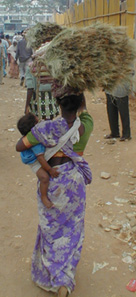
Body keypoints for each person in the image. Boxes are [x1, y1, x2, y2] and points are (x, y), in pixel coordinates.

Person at [16, 87, 93, 297]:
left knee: (51, 227)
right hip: (74, 183)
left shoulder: (45, 128)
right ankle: (65, 280)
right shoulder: (84, 126)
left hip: (53, 183)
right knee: (73, 228)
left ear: (58, 104)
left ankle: (52, 272)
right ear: (78, 105)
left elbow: (19, 146)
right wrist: (80, 93)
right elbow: (85, 112)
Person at [17, 112, 59, 208]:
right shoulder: (35, 143)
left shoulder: (35, 136)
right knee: (44, 177)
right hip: (34, 161)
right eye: (38, 122)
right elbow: (40, 159)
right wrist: (50, 170)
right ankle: (43, 197)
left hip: (37, 158)